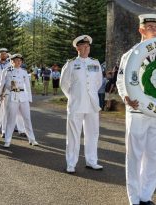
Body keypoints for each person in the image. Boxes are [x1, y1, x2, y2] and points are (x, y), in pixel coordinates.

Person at [116, 14, 156, 205]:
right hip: (137, 110)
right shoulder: (129, 55)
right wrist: (125, 98)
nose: (153, 31)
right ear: (141, 30)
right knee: (135, 155)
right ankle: (134, 198)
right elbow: (120, 81)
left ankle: (146, 195)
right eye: (149, 27)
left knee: (153, 154)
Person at [60, 35, 103, 173]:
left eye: (88, 46)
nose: (86, 48)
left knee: (93, 133)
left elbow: (98, 82)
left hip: (92, 104)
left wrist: (90, 94)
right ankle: (71, 163)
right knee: (73, 134)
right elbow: (64, 84)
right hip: (76, 104)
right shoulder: (71, 64)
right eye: (83, 46)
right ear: (77, 48)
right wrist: (73, 96)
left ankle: (92, 161)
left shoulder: (95, 63)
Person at [0, 54, 38, 148]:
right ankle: (7, 140)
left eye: (20, 60)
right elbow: (2, 83)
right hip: (12, 96)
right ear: (12, 61)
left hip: (23, 97)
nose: (19, 62)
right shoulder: (6, 71)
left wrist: (29, 98)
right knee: (11, 119)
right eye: (16, 60)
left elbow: (27, 86)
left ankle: (32, 139)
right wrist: (0, 94)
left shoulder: (24, 72)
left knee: (27, 119)